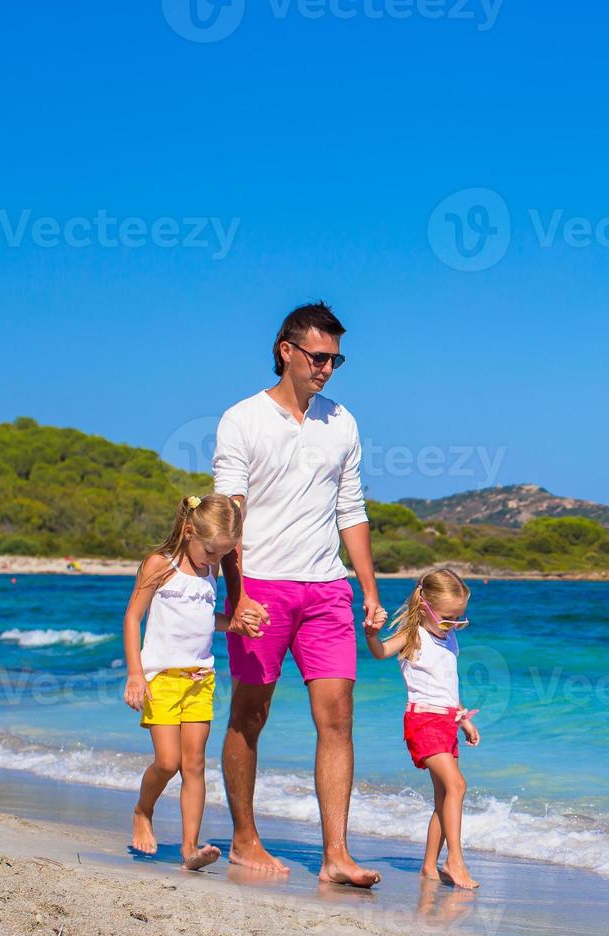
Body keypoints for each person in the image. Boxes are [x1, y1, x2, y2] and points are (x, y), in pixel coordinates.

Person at [213, 301, 387, 886]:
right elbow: (230, 514)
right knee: (250, 713)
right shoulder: (241, 420)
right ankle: (243, 838)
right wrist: (235, 597)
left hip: (327, 589)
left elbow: (351, 508)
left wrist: (367, 588)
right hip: (259, 584)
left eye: (337, 359)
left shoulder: (343, 421)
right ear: (286, 351)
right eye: (319, 356)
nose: (328, 368)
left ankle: (336, 854)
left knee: (337, 717)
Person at [121, 493, 259, 870]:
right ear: (188, 531)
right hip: (161, 678)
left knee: (194, 763)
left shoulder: (209, 572)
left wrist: (232, 625)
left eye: (222, 555)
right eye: (211, 552)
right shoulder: (159, 565)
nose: (216, 561)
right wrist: (135, 673)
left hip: (200, 678)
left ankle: (189, 848)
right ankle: (142, 810)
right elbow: (133, 618)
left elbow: (201, 617)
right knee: (167, 762)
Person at [365, 568, 481, 889]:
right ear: (425, 606)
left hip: (447, 722)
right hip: (423, 721)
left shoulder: (449, 639)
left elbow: (447, 688)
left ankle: (429, 867)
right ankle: (455, 861)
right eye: (447, 619)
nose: (453, 626)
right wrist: (372, 634)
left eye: (459, 620)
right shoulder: (413, 635)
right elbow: (380, 652)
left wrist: (464, 720)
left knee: (445, 795)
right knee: (457, 786)